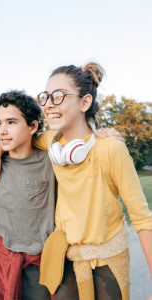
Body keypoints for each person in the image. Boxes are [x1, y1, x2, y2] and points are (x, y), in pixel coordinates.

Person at [32, 62, 152, 300]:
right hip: (67, 259)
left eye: (58, 96)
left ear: (84, 103)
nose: (47, 105)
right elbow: (23, 136)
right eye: (45, 97)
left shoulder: (110, 149)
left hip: (108, 259)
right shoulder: (51, 143)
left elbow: (142, 217)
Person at [0, 91, 54, 300]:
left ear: (33, 127)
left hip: (42, 264)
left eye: (11, 122)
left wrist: (107, 134)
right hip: (4, 259)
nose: (2, 130)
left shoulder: (51, 161)